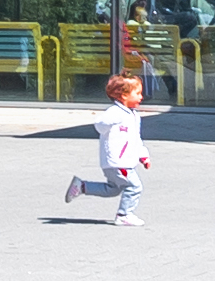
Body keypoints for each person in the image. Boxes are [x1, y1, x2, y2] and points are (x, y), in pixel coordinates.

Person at [61, 73, 153, 224]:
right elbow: (100, 124)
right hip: (118, 162)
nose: (141, 97)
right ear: (124, 96)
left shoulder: (133, 115)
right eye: (137, 93)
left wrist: (143, 155)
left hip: (122, 162)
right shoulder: (115, 113)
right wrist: (110, 121)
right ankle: (124, 215)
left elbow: (136, 138)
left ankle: (82, 187)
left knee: (113, 189)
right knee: (135, 187)